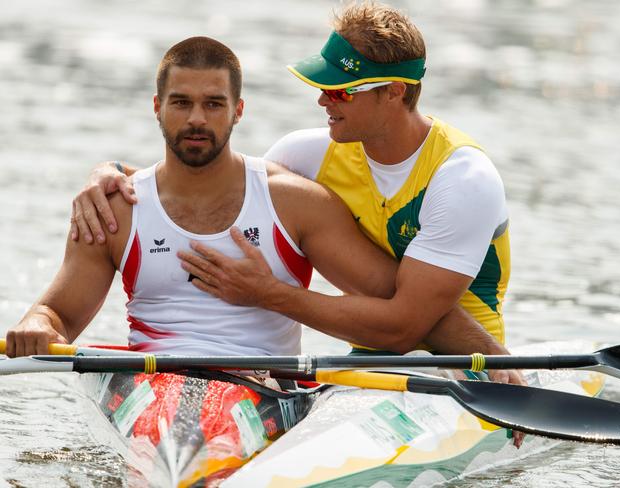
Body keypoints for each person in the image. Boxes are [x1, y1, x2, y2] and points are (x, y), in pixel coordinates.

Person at [70, 3, 516, 363]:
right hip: (368, 363)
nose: (322, 99)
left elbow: (404, 328)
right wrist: (110, 171)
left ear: (395, 92)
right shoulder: (307, 154)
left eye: (341, 90)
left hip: (471, 368)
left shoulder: (462, 179)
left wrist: (269, 294)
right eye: (322, 85)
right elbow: (213, 181)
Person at [5, 36, 402, 358]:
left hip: (265, 387)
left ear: (238, 111)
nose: (197, 118)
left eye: (214, 104)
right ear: (158, 108)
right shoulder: (115, 210)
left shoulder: (294, 204)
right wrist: (38, 324)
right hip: (150, 388)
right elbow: (58, 314)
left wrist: (275, 296)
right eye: (181, 103)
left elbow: (398, 308)